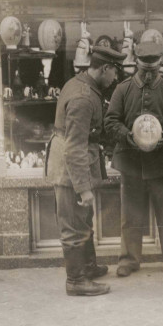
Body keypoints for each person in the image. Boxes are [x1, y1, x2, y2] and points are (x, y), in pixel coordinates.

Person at [104, 37, 163, 278]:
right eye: (144, 68)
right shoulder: (122, 89)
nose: (149, 73)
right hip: (131, 163)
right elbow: (111, 121)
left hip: (162, 164)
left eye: (154, 68)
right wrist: (126, 135)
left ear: (161, 63)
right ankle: (129, 260)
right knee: (130, 216)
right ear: (136, 62)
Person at [46, 43, 126, 296]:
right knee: (73, 226)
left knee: (83, 220)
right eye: (115, 73)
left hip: (74, 164)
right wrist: (83, 188)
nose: (115, 79)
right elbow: (75, 147)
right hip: (71, 169)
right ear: (105, 69)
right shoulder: (83, 98)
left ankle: (88, 267)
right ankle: (76, 281)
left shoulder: (81, 83)